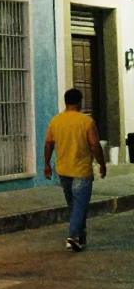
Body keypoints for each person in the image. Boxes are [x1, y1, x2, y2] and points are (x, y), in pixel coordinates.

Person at [44, 87, 106, 252]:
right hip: (82, 171)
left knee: (76, 205)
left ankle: (81, 237)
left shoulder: (55, 121)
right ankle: (72, 236)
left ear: (66, 102)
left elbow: (49, 144)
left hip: (63, 170)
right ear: (80, 102)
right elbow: (94, 145)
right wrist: (102, 163)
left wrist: (46, 165)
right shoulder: (86, 122)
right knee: (80, 205)